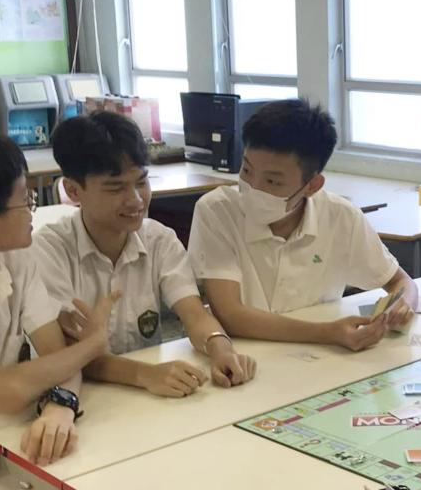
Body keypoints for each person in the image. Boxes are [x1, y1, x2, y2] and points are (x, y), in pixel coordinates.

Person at [34, 112, 256, 398]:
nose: (136, 200)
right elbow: (66, 356)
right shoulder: (48, 251)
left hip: (144, 395)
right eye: (116, 188)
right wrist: (144, 374)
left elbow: (194, 315)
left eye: (141, 182)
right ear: (73, 190)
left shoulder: (159, 240)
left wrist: (221, 349)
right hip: (74, 395)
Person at [189, 99, 419, 351]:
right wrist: (327, 333)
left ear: (312, 185)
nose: (253, 188)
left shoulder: (340, 216)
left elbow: (401, 282)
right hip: (242, 355)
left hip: (317, 357)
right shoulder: (217, 210)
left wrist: (403, 304)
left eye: (272, 182)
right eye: (246, 171)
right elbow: (230, 315)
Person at [0, 126, 115, 465]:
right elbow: (5, 391)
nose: (32, 210)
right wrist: (92, 344)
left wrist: (61, 406)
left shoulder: (16, 259)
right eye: (25, 201)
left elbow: (57, 357)